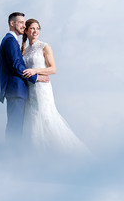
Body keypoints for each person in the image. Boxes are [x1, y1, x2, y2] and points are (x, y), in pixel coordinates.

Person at [21, 18, 88, 154]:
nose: (35, 31)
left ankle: (58, 152)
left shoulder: (45, 46)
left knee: (45, 116)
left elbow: (53, 69)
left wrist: (35, 71)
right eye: (32, 28)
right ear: (26, 31)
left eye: (38, 28)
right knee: (31, 119)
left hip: (42, 89)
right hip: (30, 89)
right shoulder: (24, 50)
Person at [0, 12, 49, 142]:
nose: (23, 25)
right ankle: (11, 156)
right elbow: (15, 64)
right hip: (16, 90)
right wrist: (36, 77)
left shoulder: (13, 40)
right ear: (12, 23)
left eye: (24, 22)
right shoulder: (9, 40)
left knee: (17, 128)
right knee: (15, 128)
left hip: (18, 91)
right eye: (20, 22)